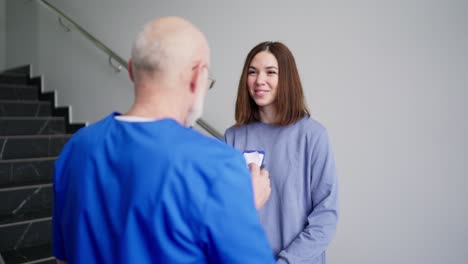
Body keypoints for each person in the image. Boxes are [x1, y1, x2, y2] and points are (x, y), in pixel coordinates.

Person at [52, 17, 275, 264]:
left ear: (130, 71)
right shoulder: (217, 165)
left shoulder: (76, 148)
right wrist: (244, 208)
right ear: (197, 76)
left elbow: (64, 260)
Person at [224, 41, 339, 264]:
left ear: (286, 79)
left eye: (271, 72)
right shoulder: (233, 137)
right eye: (252, 72)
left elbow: (325, 217)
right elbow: (225, 211)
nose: (259, 80)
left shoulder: (313, 136)